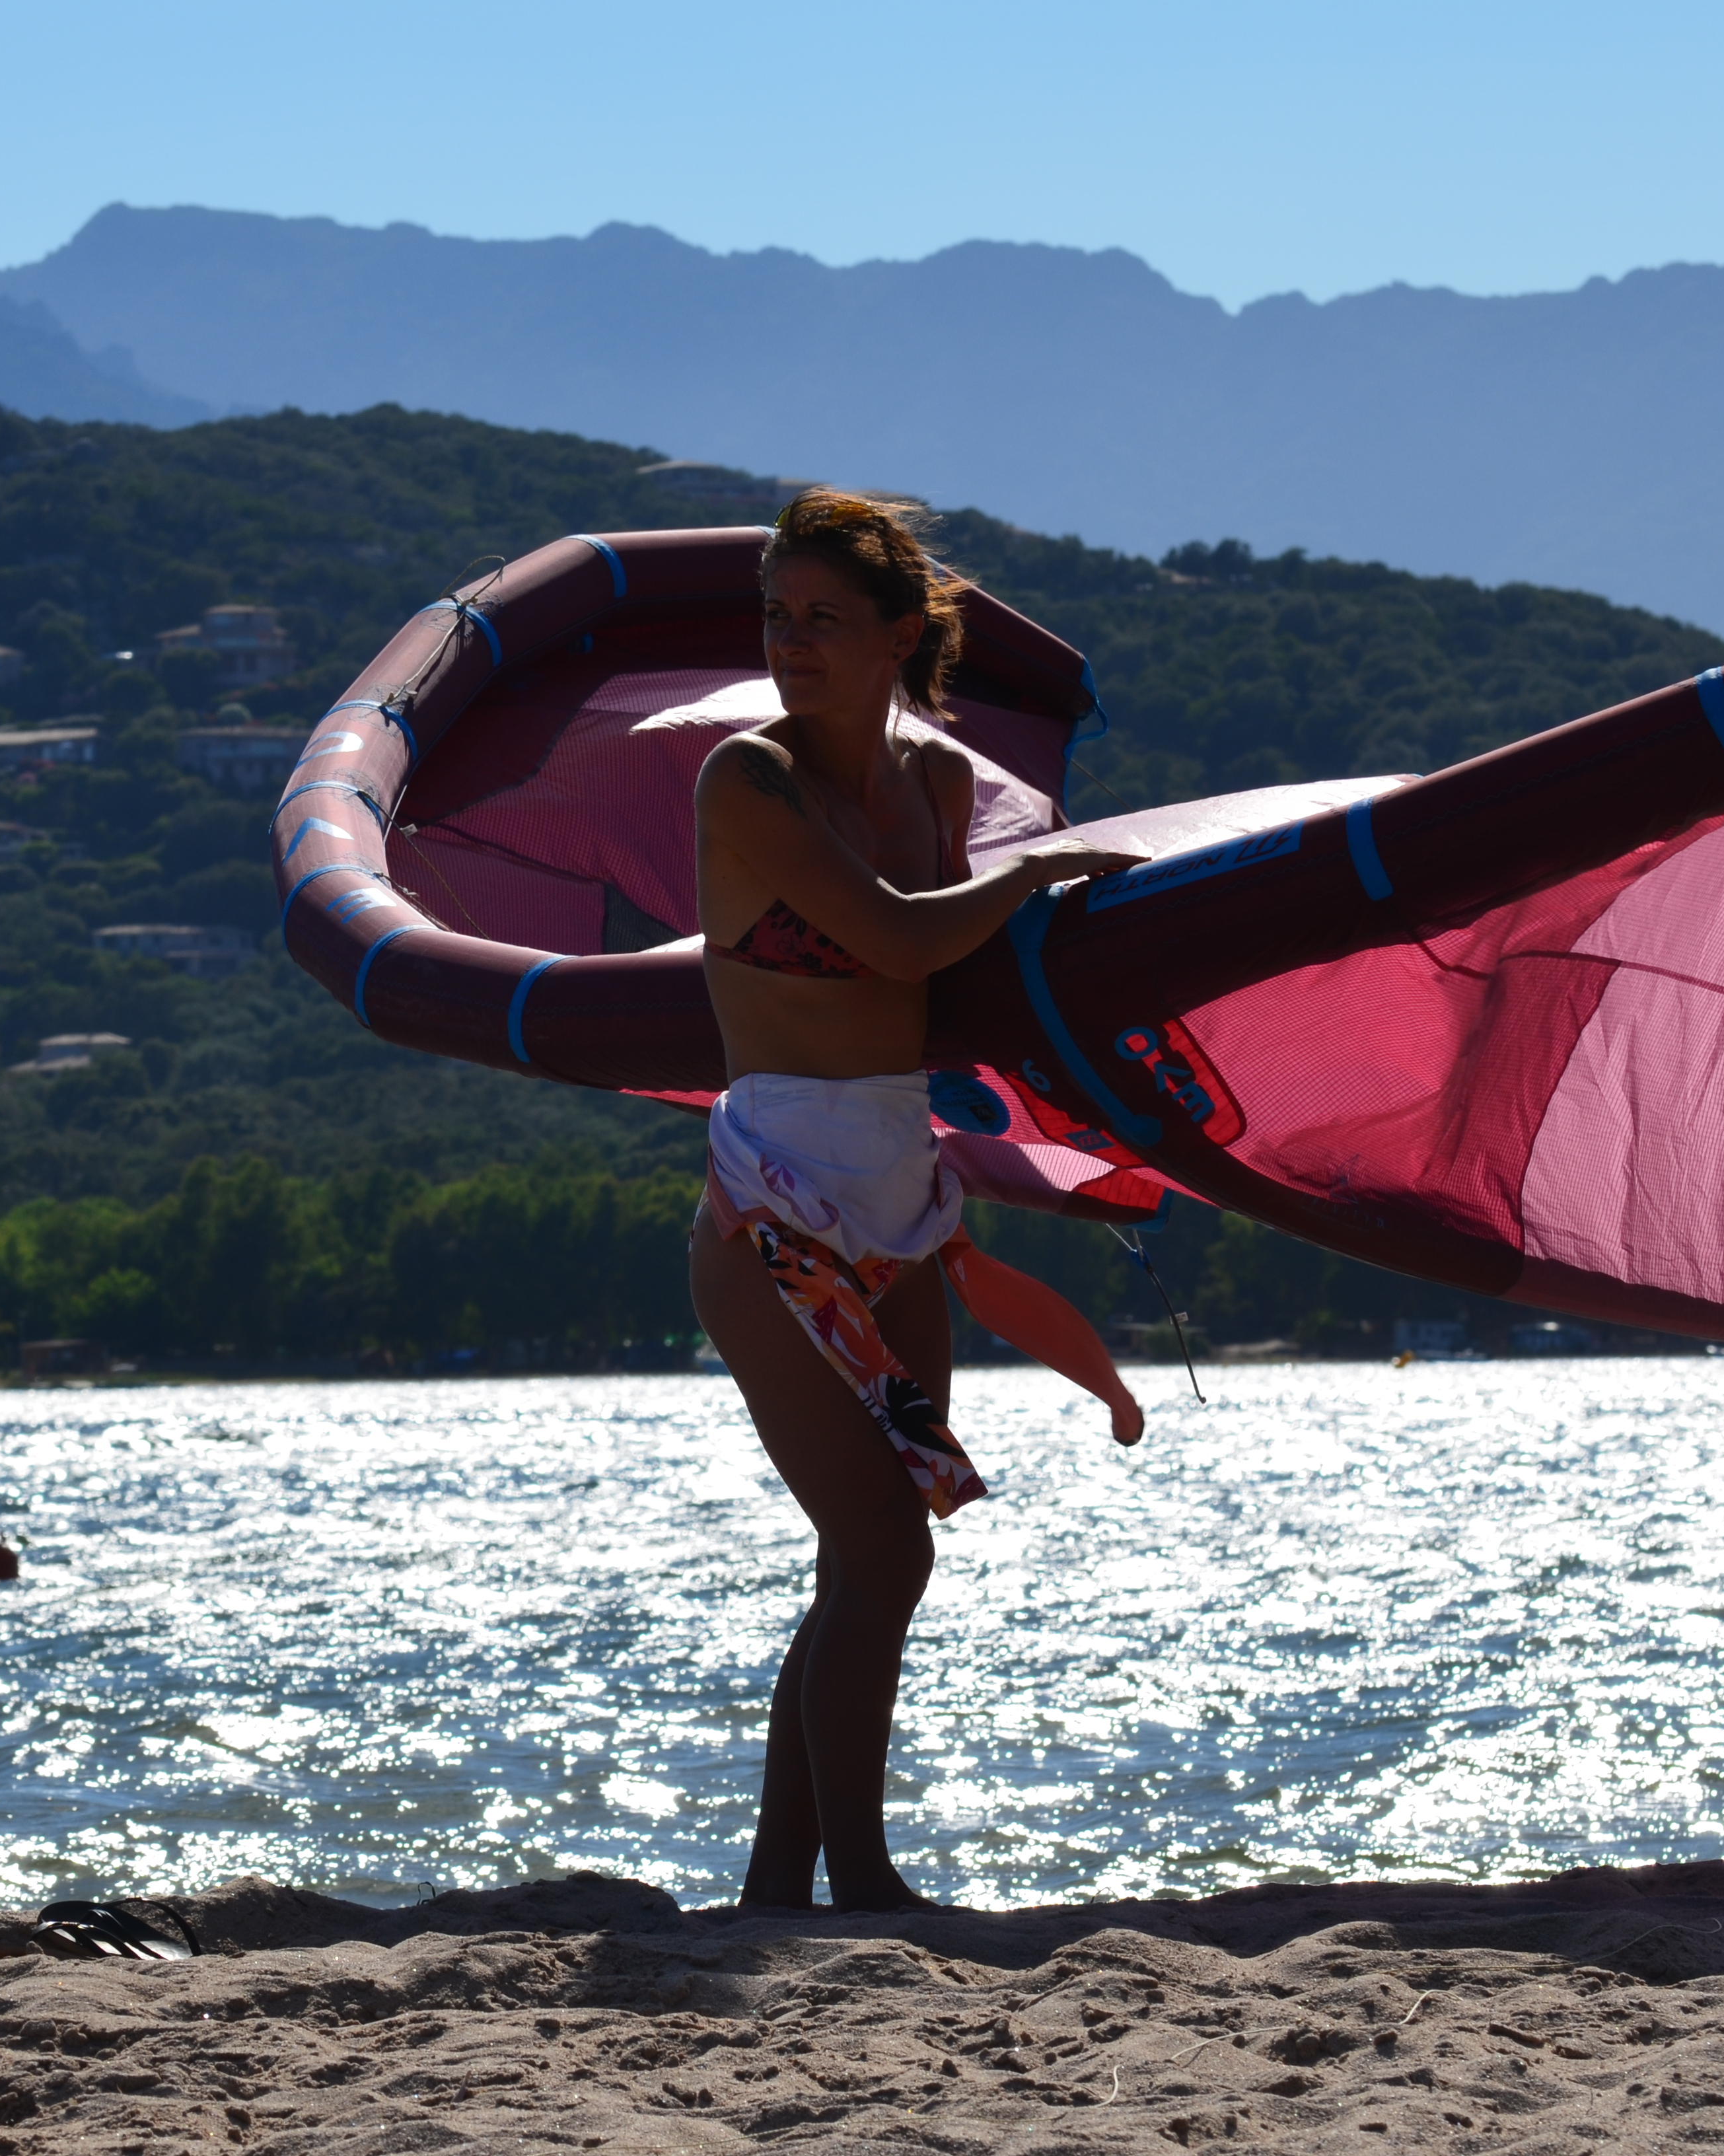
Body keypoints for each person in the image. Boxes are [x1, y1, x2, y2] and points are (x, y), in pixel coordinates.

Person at [692, 489, 1147, 1910]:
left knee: (871, 1560)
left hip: (904, 1198)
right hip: (774, 1207)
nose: (791, 643)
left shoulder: (941, 786)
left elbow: (977, 980)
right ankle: (868, 1883)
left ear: (900, 636)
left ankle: (778, 1888)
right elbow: (897, 943)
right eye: (776, 615)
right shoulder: (746, 780)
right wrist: (1033, 872)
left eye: (824, 618)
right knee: (881, 1548)